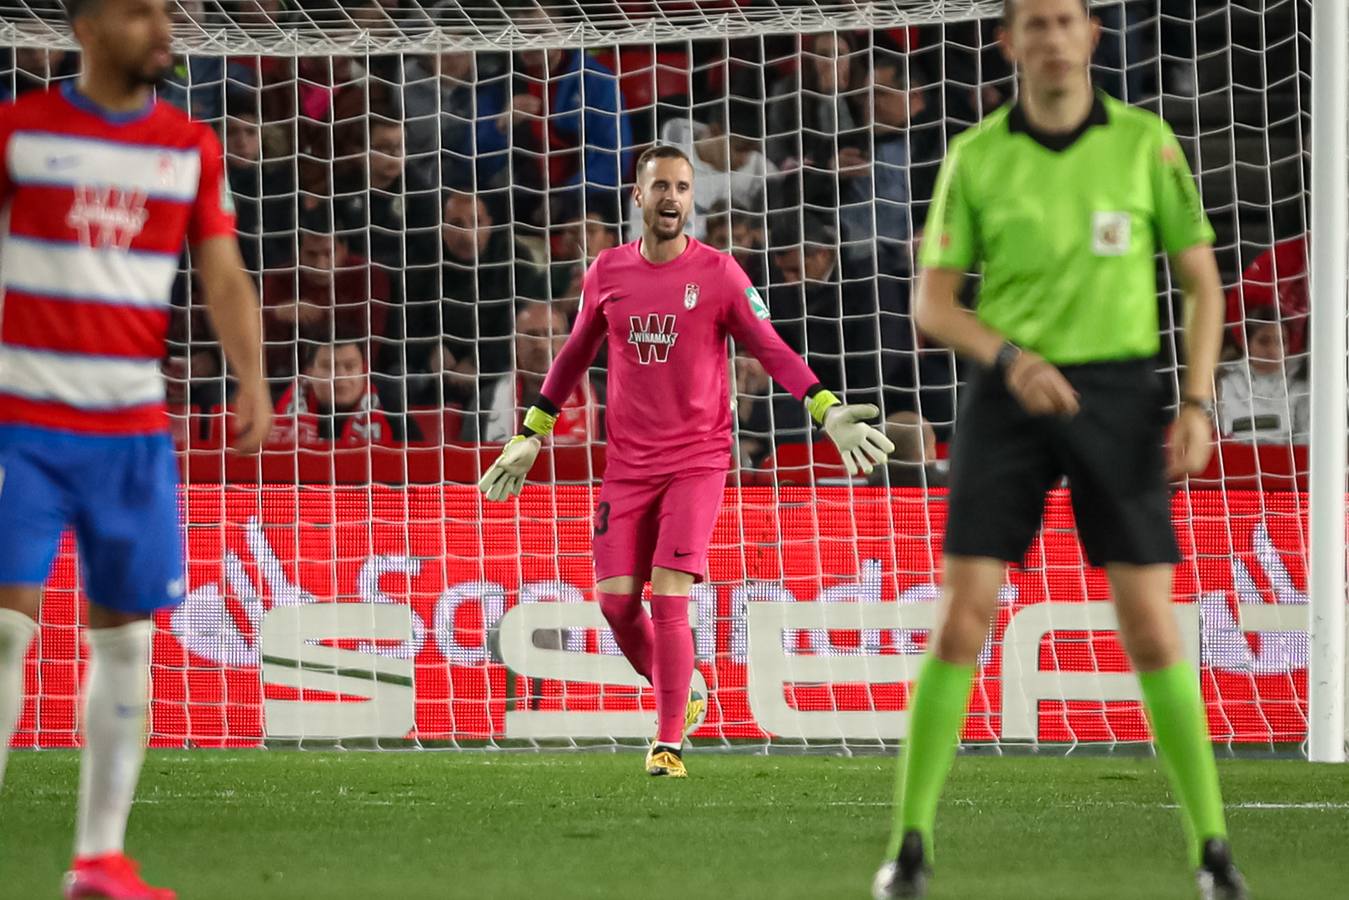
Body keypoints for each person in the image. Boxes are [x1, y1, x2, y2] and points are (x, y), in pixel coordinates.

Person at [871, 2, 1246, 899]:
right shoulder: (976, 155)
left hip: (1119, 395)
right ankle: (909, 846)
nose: (1049, 37)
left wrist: (1196, 401)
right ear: (1007, 44)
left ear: (1090, 37)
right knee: (964, 615)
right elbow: (932, 305)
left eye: (1063, 21)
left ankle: (1212, 852)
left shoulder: (1146, 143)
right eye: (1031, 24)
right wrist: (1009, 357)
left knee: (1151, 627)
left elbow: (1201, 282)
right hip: (1007, 394)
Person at [478, 145, 893, 778]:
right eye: (660, 187)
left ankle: (667, 740)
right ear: (638, 198)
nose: (672, 197)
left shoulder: (722, 274)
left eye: (682, 186)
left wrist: (826, 407)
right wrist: (533, 430)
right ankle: (685, 687)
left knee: (669, 598)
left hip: (698, 460)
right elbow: (571, 357)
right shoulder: (607, 272)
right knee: (617, 604)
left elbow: (772, 348)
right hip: (628, 465)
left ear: (691, 198)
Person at [0, 0, 270, 896]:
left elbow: (222, 270)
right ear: (83, 27)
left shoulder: (190, 146)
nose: (163, 28)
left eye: (167, 12)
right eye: (139, 11)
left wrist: (251, 375)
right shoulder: (19, 133)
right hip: (22, 423)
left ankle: (98, 862)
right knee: (5, 633)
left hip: (130, 436)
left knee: (126, 646)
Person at [475, 303, 598, 443]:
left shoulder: (598, 397)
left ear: (566, 342)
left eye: (551, 333)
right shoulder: (486, 401)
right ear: (515, 344)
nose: (541, 344)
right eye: (531, 335)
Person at [271, 341, 415, 446]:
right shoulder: (272, 409)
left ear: (364, 370)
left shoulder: (392, 411)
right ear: (309, 372)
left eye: (350, 366)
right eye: (328, 366)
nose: (340, 375)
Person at [1215, 306, 1308, 445]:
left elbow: (1306, 441)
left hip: (1287, 463)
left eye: (1281, 341)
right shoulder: (1224, 383)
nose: (1273, 350)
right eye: (1264, 341)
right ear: (1246, 344)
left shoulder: (1301, 387)